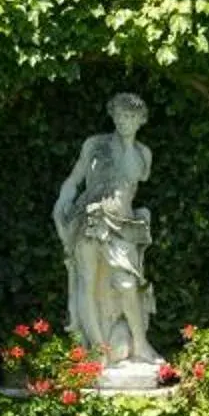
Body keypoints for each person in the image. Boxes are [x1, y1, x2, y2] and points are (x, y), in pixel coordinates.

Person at [53, 94, 163, 377]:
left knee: (127, 284)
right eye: (121, 116)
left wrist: (127, 143)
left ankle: (141, 344)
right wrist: (61, 204)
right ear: (113, 116)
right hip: (90, 218)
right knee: (86, 284)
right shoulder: (95, 144)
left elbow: (132, 173)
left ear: (141, 120)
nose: (125, 122)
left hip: (122, 223)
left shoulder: (142, 153)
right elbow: (75, 179)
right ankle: (98, 352)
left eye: (131, 117)